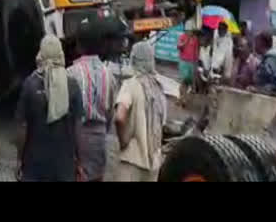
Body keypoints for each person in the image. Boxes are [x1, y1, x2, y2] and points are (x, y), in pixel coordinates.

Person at [14, 35, 83, 182]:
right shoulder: (72, 85)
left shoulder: (29, 85)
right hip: (64, 166)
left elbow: (22, 128)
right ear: (61, 54)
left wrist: (19, 159)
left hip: (34, 166)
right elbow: (78, 128)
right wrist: (79, 160)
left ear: (41, 53)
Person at [66, 19, 115, 182]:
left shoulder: (70, 74)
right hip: (99, 139)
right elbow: (110, 114)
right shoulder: (109, 74)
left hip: (77, 142)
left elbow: (66, 115)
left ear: (78, 46)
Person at [114, 41, 167, 182]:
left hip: (132, 162)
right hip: (153, 163)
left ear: (134, 60)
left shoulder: (130, 85)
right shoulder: (159, 89)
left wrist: (123, 141)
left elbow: (119, 117)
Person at [252, 32, 276, 96]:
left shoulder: (271, 60)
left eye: (256, 42)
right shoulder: (266, 59)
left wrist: (259, 90)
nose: (254, 45)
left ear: (261, 43)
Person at [176, 29, 199, 103]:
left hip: (191, 63)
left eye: (192, 31)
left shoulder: (195, 39)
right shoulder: (182, 37)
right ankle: (181, 97)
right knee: (183, 80)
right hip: (183, 62)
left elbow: (196, 52)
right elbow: (179, 46)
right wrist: (186, 41)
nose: (191, 32)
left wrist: (196, 63)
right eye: (190, 30)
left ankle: (183, 98)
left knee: (188, 82)